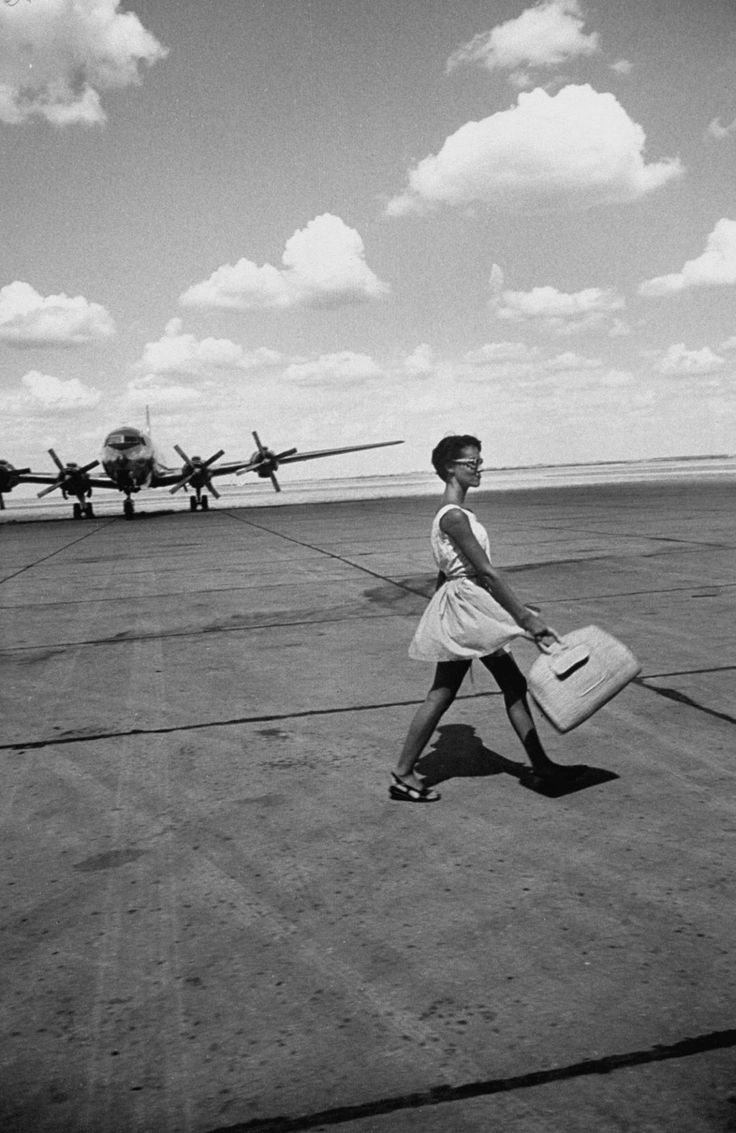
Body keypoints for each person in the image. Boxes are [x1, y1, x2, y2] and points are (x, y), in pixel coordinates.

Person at [390, 434, 585, 802]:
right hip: (469, 608)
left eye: (480, 461)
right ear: (450, 468)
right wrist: (525, 619)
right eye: (471, 463)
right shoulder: (453, 517)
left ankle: (541, 766)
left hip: (468, 606)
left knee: (508, 684)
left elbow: (448, 573)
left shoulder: (452, 515)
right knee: (446, 692)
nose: (479, 468)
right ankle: (403, 773)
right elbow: (487, 572)